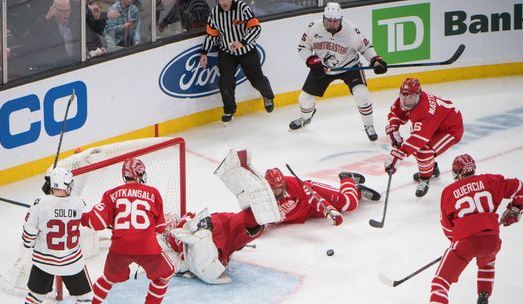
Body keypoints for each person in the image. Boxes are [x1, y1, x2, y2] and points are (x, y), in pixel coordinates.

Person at [409, 154, 523, 304]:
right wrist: (516, 209)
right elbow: (520, 188)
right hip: (493, 238)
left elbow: (447, 226)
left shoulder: (449, 192)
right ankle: (483, 299)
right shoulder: (490, 180)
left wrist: (456, 243)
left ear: (456, 173)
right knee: (487, 261)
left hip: (466, 242)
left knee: (441, 281)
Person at [17, 167, 101, 304]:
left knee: (36, 294)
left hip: (43, 260)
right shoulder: (79, 203)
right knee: (85, 297)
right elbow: (65, 208)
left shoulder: (39, 203)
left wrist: (39, 214)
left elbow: (28, 239)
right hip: (70, 261)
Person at [81, 158, 175, 304]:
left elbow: (97, 222)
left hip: (119, 248)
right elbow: (160, 229)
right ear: (139, 174)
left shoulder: (111, 194)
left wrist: (80, 217)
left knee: (107, 279)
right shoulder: (153, 193)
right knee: (167, 272)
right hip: (146, 248)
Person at [289, 1, 387, 141]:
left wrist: (376, 60)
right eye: (328, 20)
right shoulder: (313, 28)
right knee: (304, 99)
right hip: (322, 68)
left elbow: (366, 48)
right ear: (323, 18)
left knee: (362, 94)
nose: (331, 24)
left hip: (349, 66)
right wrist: (312, 60)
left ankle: (369, 126)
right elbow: (303, 47)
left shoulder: (352, 31)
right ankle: (305, 118)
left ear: (340, 20)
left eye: (335, 21)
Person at [383, 77, 464, 197]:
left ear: (418, 94)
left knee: (423, 151)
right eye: (405, 96)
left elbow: (418, 140)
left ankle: (426, 178)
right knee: (416, 148)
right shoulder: (406, 99)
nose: (407, 100)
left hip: (450, 129)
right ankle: (432, 168)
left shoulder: (424, 110)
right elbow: (395, 113)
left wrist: (399, 155)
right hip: (435, 123)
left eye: (411, 97)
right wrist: (394, 128)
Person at [198, 0, 275, 123]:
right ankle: (229, 109)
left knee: (257, 80)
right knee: (225, 82)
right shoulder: (214, 14)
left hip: (247, 51)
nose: (224, 2)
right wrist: (204, 53)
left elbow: (256, 29)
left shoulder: (242, 8)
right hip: (227, 53)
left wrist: (242, 42)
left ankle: (268, 96)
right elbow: (211, 35)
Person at [161, 208, 263, 284]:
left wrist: (184, 263)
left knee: (207, 267)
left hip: (215, 231)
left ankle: (260, 212)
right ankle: (261, 213)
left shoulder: (175, 233)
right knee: (250, 224)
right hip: (222, 228)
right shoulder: (186, 220)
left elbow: (185, 240)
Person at [264, 168, 381, 227]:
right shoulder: (262, 199)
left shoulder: (291, 183)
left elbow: (311, 196)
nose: (280, 190)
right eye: (275, 188)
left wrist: (329, 211)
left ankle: (347, 178)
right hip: (304, 213)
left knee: (349, 204)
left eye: (281, 187)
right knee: (341, 210)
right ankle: (357, 191)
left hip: (313, 193)